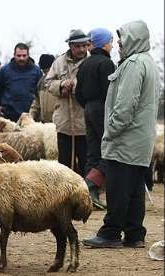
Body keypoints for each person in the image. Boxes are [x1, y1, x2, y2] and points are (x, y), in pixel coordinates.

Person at [83, 20, 160, 248]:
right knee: (135, 188)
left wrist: (111, 131)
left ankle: (111, 232)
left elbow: (126, 104)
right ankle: (135, 234)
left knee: (117, 187)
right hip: (140, 139)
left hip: (125, 138)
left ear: (133, 39)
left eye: (122, 39)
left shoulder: (134, 64)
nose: (118, 44)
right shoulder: (148, 62)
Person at [75, 28, 116, 210]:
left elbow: (78, 92)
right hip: (102, 108)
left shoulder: (85, 63)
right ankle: (92, 186)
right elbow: (111, 92)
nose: (112, 45)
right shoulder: (106, 63)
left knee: (93, 151)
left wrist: (88, 106)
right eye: (111, 41)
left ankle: (85, 194)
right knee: (108, 149)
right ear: (104, 43)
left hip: (88, 109)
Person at [44, 29, 90, 177]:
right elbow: (48, 82)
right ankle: (65, 195)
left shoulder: (91, 61)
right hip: (64, 122)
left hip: (84, 123)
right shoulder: (59, 62)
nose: (82, 49)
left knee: (85, 162)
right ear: (70, 46)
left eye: (84, 45)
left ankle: (85, 194)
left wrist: (74, 86)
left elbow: (94, 85)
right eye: (77, 46)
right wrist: (61, 85)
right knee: (64, 163)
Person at [0, 43, 42, 122]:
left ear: (28, 55)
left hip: (30, 117)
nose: (21, 58)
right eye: (19, 55)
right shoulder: (4, 71)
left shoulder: (36, 71)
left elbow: (40, 93)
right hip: (8, 117)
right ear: (14, 55)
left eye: (24, 55)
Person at [29, 54, 58, 123]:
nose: (47, 74)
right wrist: (30, 116)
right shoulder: (41, 82)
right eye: (45, 71)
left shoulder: (59, 80)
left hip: (57, 123)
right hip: (46, 124)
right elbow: (36, 102)